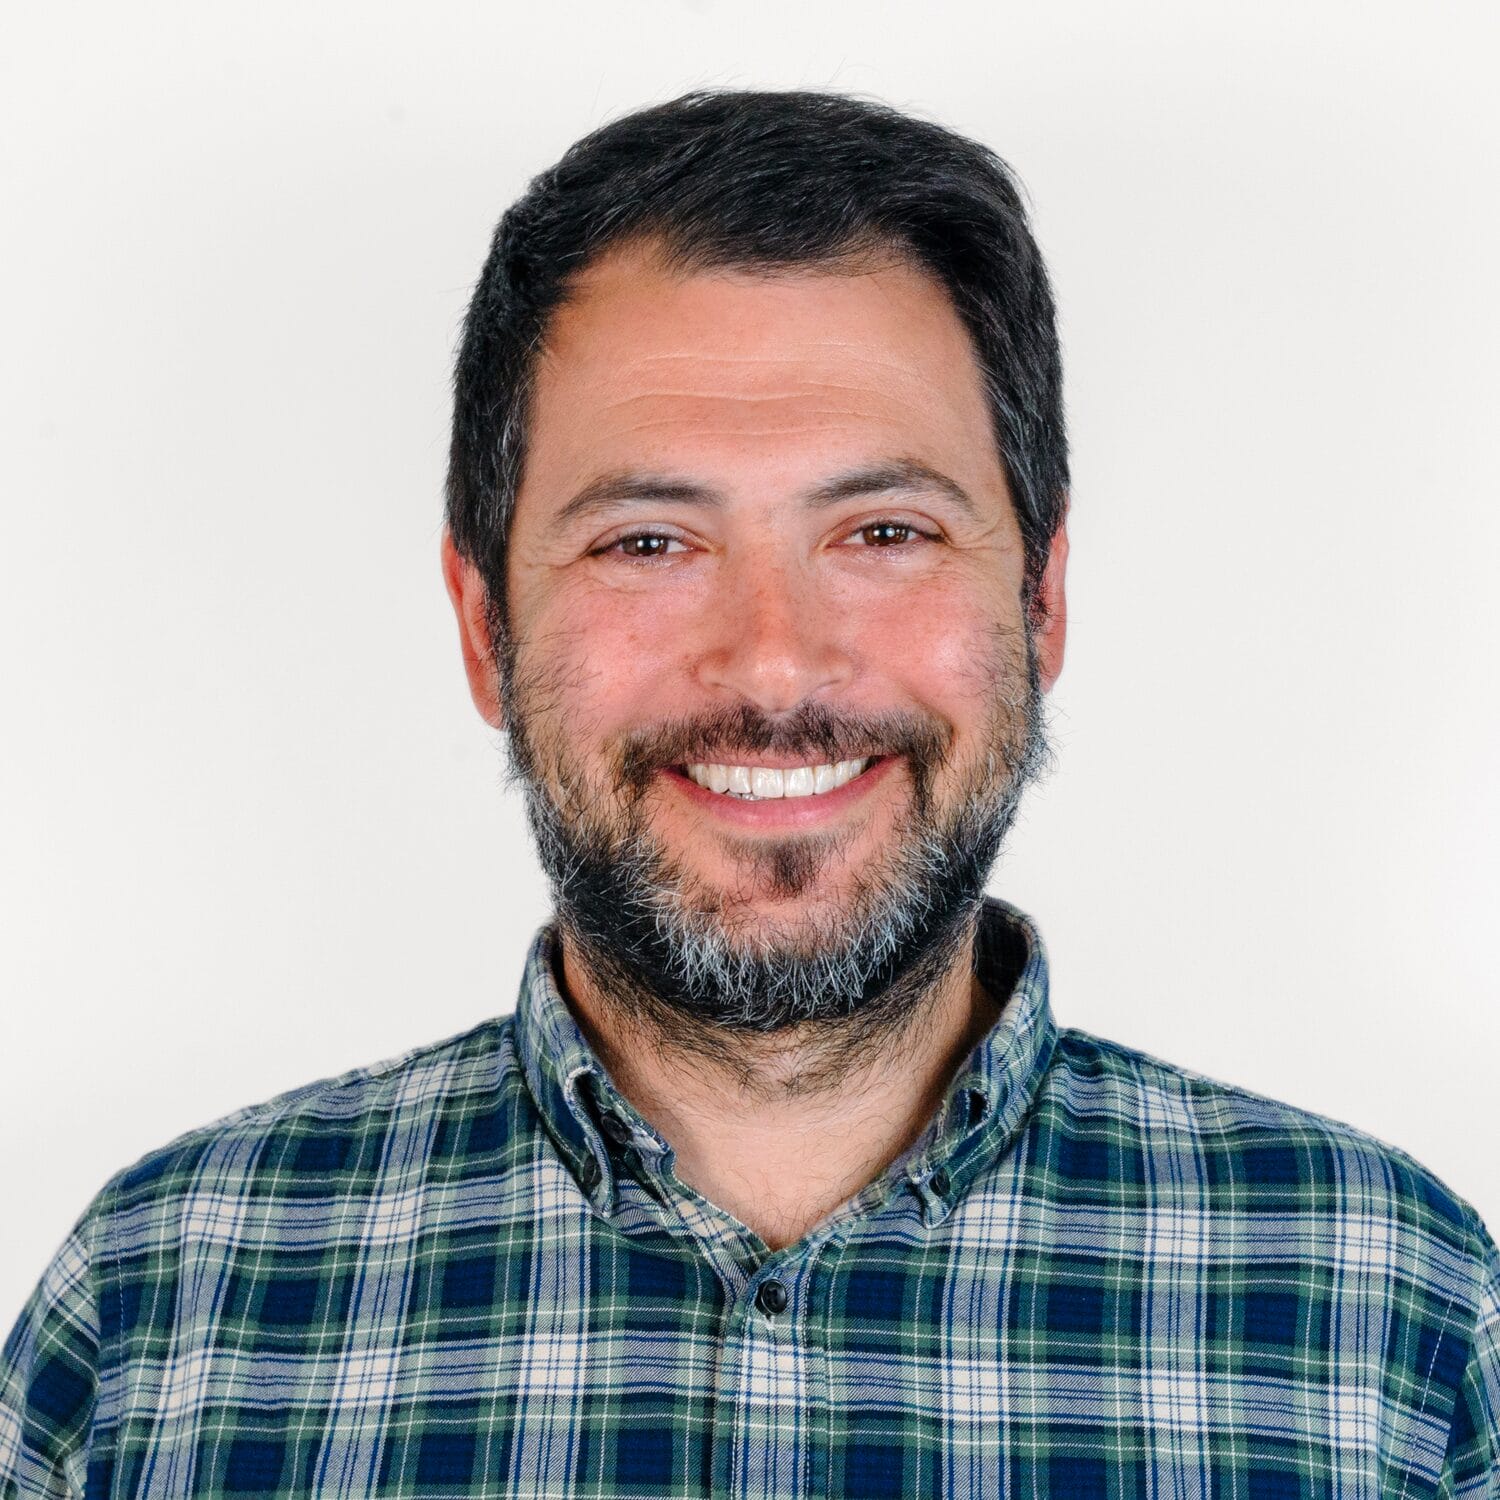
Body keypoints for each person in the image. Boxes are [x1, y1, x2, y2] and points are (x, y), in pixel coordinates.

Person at [3, 88, 1496, 1499]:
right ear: (485, 628)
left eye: (886, 529)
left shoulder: (1400, 1321)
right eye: (648, 542)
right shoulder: (165, 1308)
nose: (774, 660)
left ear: (1039, 606)